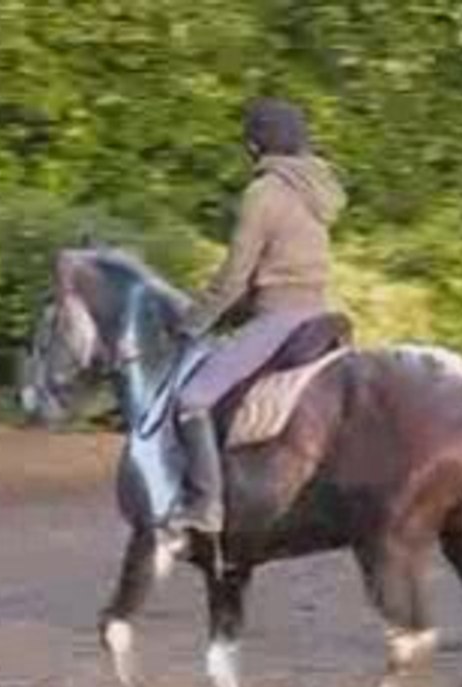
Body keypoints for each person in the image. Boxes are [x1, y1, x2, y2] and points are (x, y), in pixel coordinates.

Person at [166, 97, 347, 538]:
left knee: (191, 400)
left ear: (255, 144)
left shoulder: (262, 193)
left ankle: (205, 505)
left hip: (279, 317)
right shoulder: (318, 188)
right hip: (319, 310)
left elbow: (234, 277)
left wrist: (192, 322)